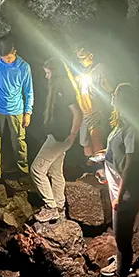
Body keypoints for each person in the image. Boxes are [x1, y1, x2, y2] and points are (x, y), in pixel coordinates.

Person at [97, 84, 139, 277]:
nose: (113, 97)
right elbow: (115, 152)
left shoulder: (132, 128)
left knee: (121, 235)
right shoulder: (119, 123)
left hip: (124, 189)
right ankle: (120, 261)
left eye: (117, 95)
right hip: (115, 182)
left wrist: (120, 195)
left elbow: (130, 165)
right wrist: (103, 158)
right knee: (119, 233)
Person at [31, 58, 82, 222]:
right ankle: (60, 208)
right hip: (57, 135)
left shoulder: (64, 87)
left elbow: (78, 113)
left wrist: (72, 135)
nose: (46, 76)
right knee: (55, 172)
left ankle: (51, 207)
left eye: (48, 73)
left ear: (55, 72)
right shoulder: (58, 86)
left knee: (37, 170)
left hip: (60, 137)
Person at [0, 37, 33, 179]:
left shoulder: (24, 67)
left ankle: (23, 171)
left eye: (9, 57)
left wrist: (28, 112)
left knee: (18, 141)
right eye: (3, 58)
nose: (6, 60)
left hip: (16, 110)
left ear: (15, 52)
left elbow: (28, 91)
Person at [75, 43, 114, 157]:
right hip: (85, 112)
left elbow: (109, 89)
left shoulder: (100, 68)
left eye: (82, 58)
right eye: (78, 59)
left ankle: (101, 169)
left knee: (96, 142)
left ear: (91, 56)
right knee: (85, 144)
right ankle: (91, 170)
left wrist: (105, 83)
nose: (80, 61)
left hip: (96, 112)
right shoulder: (87, 70)